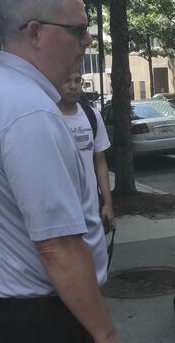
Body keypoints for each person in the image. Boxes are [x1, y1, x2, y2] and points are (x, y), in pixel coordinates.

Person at [0, 0, 116, 343]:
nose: (88, 39)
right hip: (39, 320)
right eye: (77, 29)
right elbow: (58, 246)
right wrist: (105, 334)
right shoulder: (32, 113)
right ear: (35, 32)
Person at [58, 71, 115, 232]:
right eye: (67, 80)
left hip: (92, 210)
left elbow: (101, 163)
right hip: (62, 214)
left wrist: (108, 204)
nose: (73, 86)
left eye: (77, 80)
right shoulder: (48, 117)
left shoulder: (92, 116)